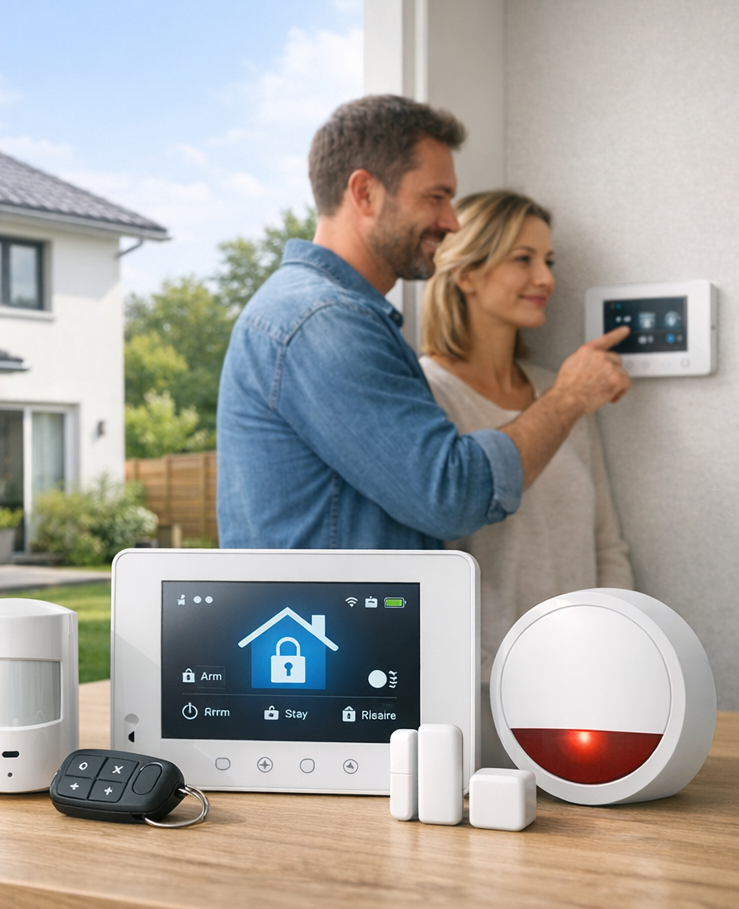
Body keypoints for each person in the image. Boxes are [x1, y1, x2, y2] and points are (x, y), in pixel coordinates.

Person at [216, 95, 630, 552]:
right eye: (436, 197)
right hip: (331, 624)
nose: (451, 222)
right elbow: (450, 496)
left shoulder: (332, 315)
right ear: (365, 193)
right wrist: (568, 398)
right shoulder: (323, 321)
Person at [419, 191, 634, 679]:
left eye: (548, 260)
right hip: (481, 689)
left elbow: (606, 545)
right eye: (523, 259)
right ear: (465, 272)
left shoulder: (563, 389)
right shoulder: (427, 395)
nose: (547, 278)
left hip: (582, 679)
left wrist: (613, 648)